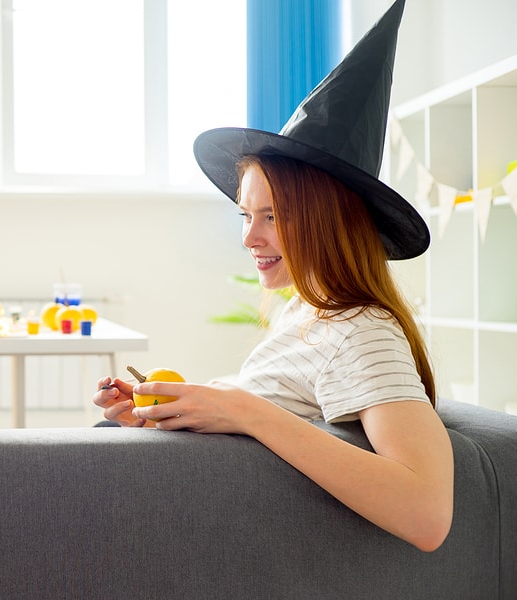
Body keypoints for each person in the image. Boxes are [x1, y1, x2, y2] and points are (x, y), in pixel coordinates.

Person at [93, 0, 454, 552]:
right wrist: (167, 412)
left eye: (273, 217)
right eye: (246, 215)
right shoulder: (308, 311)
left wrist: (244, 410)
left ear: (327, 223)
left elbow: (427, 512)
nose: (249, 238)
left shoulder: (362, 329)